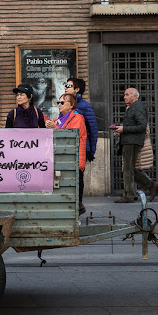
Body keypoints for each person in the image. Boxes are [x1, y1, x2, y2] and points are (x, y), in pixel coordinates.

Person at [112, 88, 158, 203]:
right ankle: (150, 186)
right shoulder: (132, 107)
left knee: (128, 169)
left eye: (127, 95)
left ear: (135, 96)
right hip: (129, 141)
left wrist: (124, 129)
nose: (124, 97)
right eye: (124, 94)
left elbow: (141, 126)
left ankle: (130, 194)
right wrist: (119, 130)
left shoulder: (138, 107)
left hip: (132, 142)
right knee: (129, 169)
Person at [46, 94, 87, 215]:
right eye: (58, 102)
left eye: (62, 103)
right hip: (65, 156)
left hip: (75, 156)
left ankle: (78, 206)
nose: (59, 105)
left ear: (71, 105)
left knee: (76, 182)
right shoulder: (60, 118)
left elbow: (72, 134)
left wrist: (55, 127)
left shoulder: (78, 118)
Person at [64, 77, 98, 214]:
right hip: (68, 147)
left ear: (77, 89)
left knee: (78, 177)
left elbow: (93, 130)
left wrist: (91, 151)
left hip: (81, 148)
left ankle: (79, 205)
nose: (66, 87)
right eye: (65, 85)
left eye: (69, 85)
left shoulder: (85, 106)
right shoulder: (65, 104)